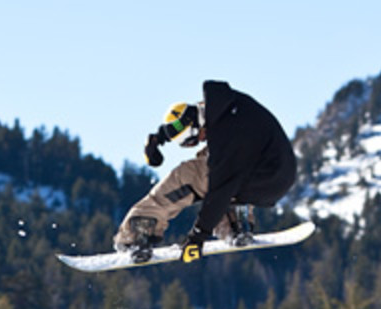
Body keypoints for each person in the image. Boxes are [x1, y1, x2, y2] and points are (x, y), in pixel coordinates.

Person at [113, 80, 297, 263]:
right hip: (278, 173)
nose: (195, 143)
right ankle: (235, 221)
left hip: (257, 176)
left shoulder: (225, 141)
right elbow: (191, 118)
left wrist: (197, 238)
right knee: (209, 161)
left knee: (187, 175)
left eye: (190, 140)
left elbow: (220, 191)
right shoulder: (227, 105)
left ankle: (138, 232)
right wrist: (159, 138)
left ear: (196, 127)